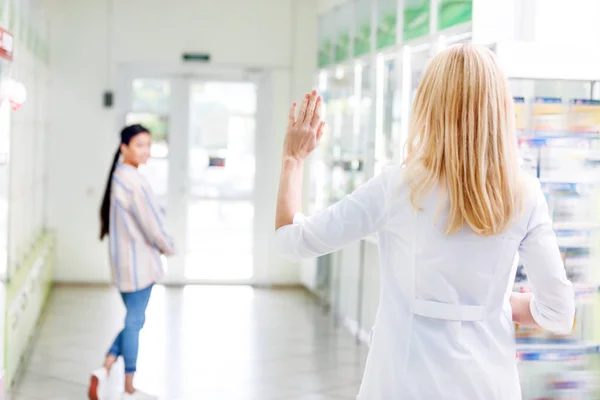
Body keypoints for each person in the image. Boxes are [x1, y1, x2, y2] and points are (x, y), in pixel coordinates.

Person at [274, 45, 575, 399]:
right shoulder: (524, 195)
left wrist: (293, 158)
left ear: (428, 107)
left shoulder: (397, 188)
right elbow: (558, 313)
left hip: (402, 383)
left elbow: (291, 241)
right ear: (499, 110)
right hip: (489, 387)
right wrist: (491, 302)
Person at [88, 124, 174, 400]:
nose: (145, 151)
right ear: (124, 148)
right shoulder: (135, 181)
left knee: (133, 321)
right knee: (135, 322)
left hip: (123, 266)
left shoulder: (117, 177)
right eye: (139, 145)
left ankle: (106, 368)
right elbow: (152, 225)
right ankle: (128, 387)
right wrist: (168, 246)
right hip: (141, 266)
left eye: (148, 145)